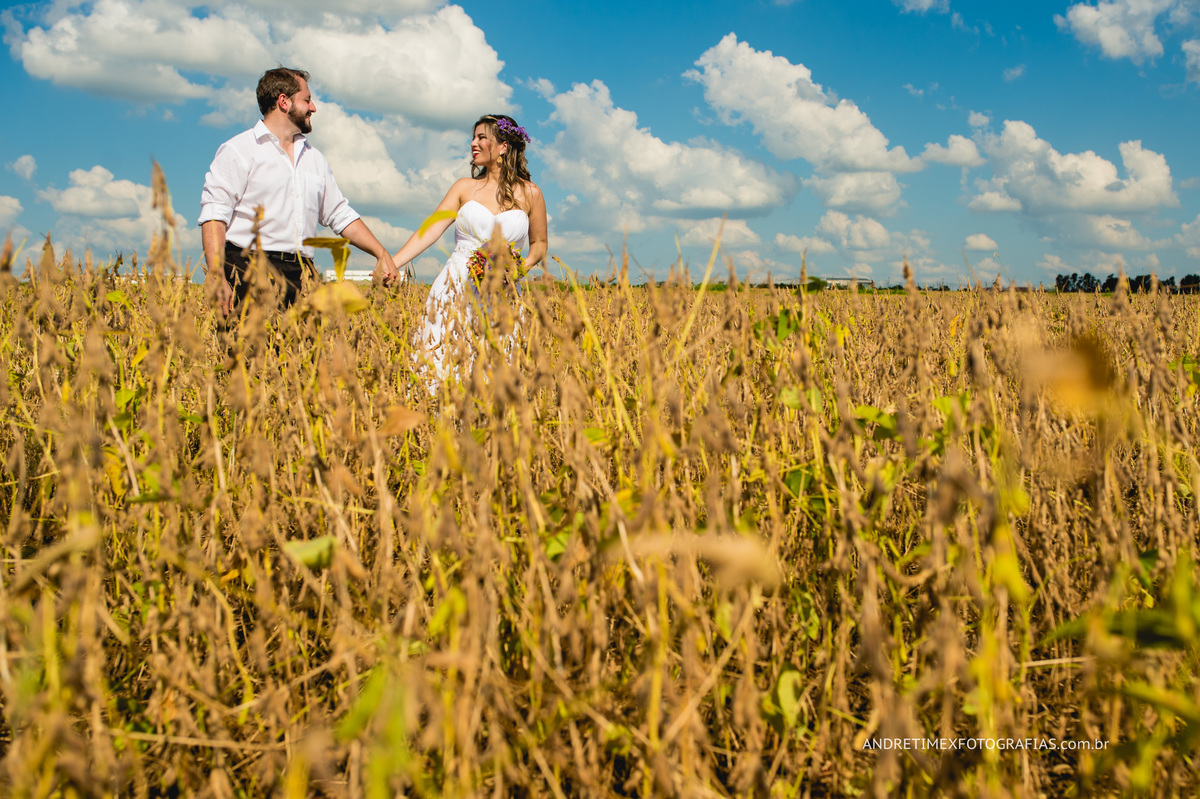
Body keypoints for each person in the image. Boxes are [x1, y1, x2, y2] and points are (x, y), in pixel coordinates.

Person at [199, 67, 392, 316]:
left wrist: (380, 252)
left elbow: (339, 214)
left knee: (307, 354)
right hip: (248, 270)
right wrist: (216, 275)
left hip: (303, 275)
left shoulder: (315, 159)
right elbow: (215, 214)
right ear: (284, 101)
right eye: (307, 100)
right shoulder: (238, 150)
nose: (313, 108)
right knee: (250, 353)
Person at [375, 114, 548, 377]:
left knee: (499, 370)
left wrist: (517, 269)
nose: (473, 143)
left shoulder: (531, 193)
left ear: (503, 146)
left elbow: (539, 244)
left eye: (481, 137)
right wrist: (392, 263)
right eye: (473, 137)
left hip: (504, 291)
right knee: (444, 363)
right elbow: (430, 231)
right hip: (455, 287)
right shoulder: (463, 187)